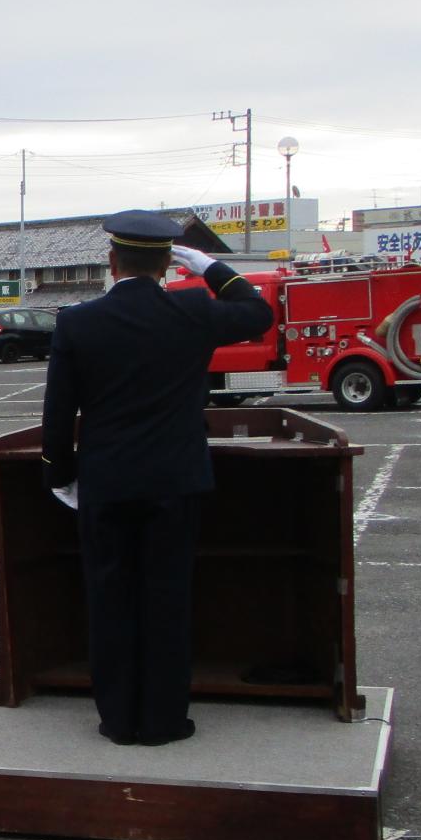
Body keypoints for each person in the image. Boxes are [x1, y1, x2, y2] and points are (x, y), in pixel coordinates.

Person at [39, 211, 273, 745]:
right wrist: (212, 267)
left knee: (109, 598)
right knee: (167, 600)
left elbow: (58, 412)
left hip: (106, 481)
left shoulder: (78, 321)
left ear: (111, 261)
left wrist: (60, 475)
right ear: (169, 263)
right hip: (174, 480)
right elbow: (256, 312)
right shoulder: (191, 311)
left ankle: (118, 719)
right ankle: (165, 720)